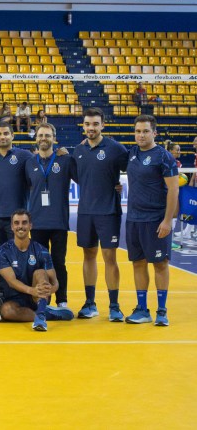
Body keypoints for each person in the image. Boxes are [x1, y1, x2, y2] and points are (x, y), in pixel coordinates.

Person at [73, 108, 129, 322]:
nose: (91, 128)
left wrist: (120, 186)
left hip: (108, 212)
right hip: (85, 212)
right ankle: (90, 303)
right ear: (83, 126)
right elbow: (79, 176)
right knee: (88, 256)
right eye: (88, 124)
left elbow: (134, 170)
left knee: (109, 258)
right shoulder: (78, 150)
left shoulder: (116, 149)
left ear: (103, 125)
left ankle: (114, 306)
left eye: (95, 124)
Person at [124, 115, 179, 326]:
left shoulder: (164, 157)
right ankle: (142, 309)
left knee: (160, 264)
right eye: (138, 131)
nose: (141, 135)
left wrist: (167, 221)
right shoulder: (132, 153)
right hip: (133, 219)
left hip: (155, 220)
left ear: (154, 133)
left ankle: (162, 311)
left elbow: (173, 190)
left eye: (145, 131)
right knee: (138, 263)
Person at [0, 209, 74, 331]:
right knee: (6, 311)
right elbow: (11, 281)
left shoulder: (41, 250)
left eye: (24, 222)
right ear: (12, 227)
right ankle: (46, 314)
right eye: (17, 223)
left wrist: (49, 289)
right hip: (15, 298)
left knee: (40, 273)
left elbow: (55, 282)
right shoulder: (2, 251)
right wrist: (31, 290)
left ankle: (40, 316)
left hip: (38, 296)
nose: (20, 226)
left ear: (30, 226)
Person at [25, 122, 76, 310]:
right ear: (36, 138)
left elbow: (85, 178)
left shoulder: (65, 160)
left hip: (59, 221)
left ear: (54, 138)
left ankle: (62, 300)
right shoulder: (30, 163)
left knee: (58, 262)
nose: (43, 139)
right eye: (40, 135)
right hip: (37, 222)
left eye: (47, 135)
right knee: (39, 265)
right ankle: (42, 300)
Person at [0, 120, 33, 305]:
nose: (2, 137)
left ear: (12, 135)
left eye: (6, 133)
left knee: (18, 257)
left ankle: (20, 294)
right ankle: (1, 294)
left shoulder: (24, 156)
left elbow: (38, 172)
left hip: (17, 219)